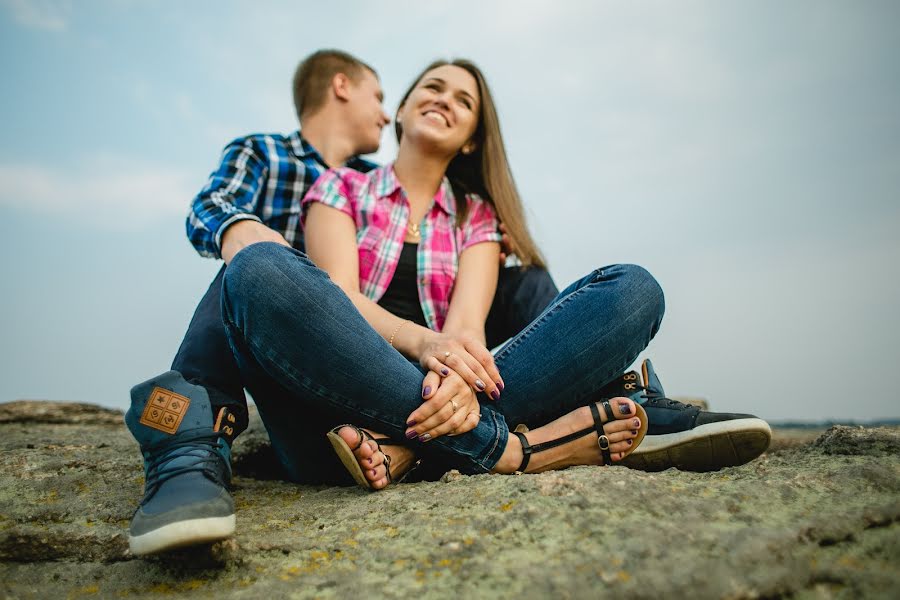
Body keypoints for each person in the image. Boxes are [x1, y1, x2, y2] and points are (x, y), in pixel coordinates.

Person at [123, 50, 560, 556]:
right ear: (341, 87)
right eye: (379, 95)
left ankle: (594, 391)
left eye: (463, 101)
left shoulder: (392, 188)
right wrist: (251, 237)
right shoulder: (275, 157)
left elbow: (453, 303)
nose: (381, 109)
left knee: (535, 281)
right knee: (244, 269)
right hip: (288, 329)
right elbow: (211, 206)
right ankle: (189, 443)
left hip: (383, 355)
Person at [219, 58, 664, 494]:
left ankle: (412, 451)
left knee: (633, 289)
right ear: (401, 108)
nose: (444, 100)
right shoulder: (341, 186)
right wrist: (424, 342)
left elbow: (465, 331)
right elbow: (340, 298)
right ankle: (514, 451)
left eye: (464, 101)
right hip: (335, 423)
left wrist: (454, 372)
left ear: (471, 139)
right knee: (257, 267)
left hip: (430, 409)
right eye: (433, 87)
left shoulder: (477, 215)